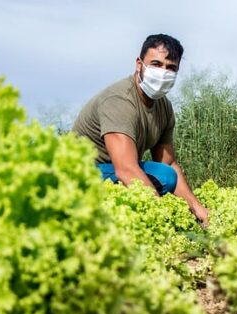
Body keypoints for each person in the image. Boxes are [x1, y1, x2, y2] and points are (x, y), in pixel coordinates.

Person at [73, 34, 209, 226]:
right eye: (156, 64)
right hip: (83, 174)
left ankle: (123, 211)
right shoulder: (119, 101)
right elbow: (126, 169)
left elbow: (168, 164)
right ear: (139, 64)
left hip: (113, 170)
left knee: (166, 175)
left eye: (171, 68)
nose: (163, 72)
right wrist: (162, 215)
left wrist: (197, 208)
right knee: (155, 177)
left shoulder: (164, 108)